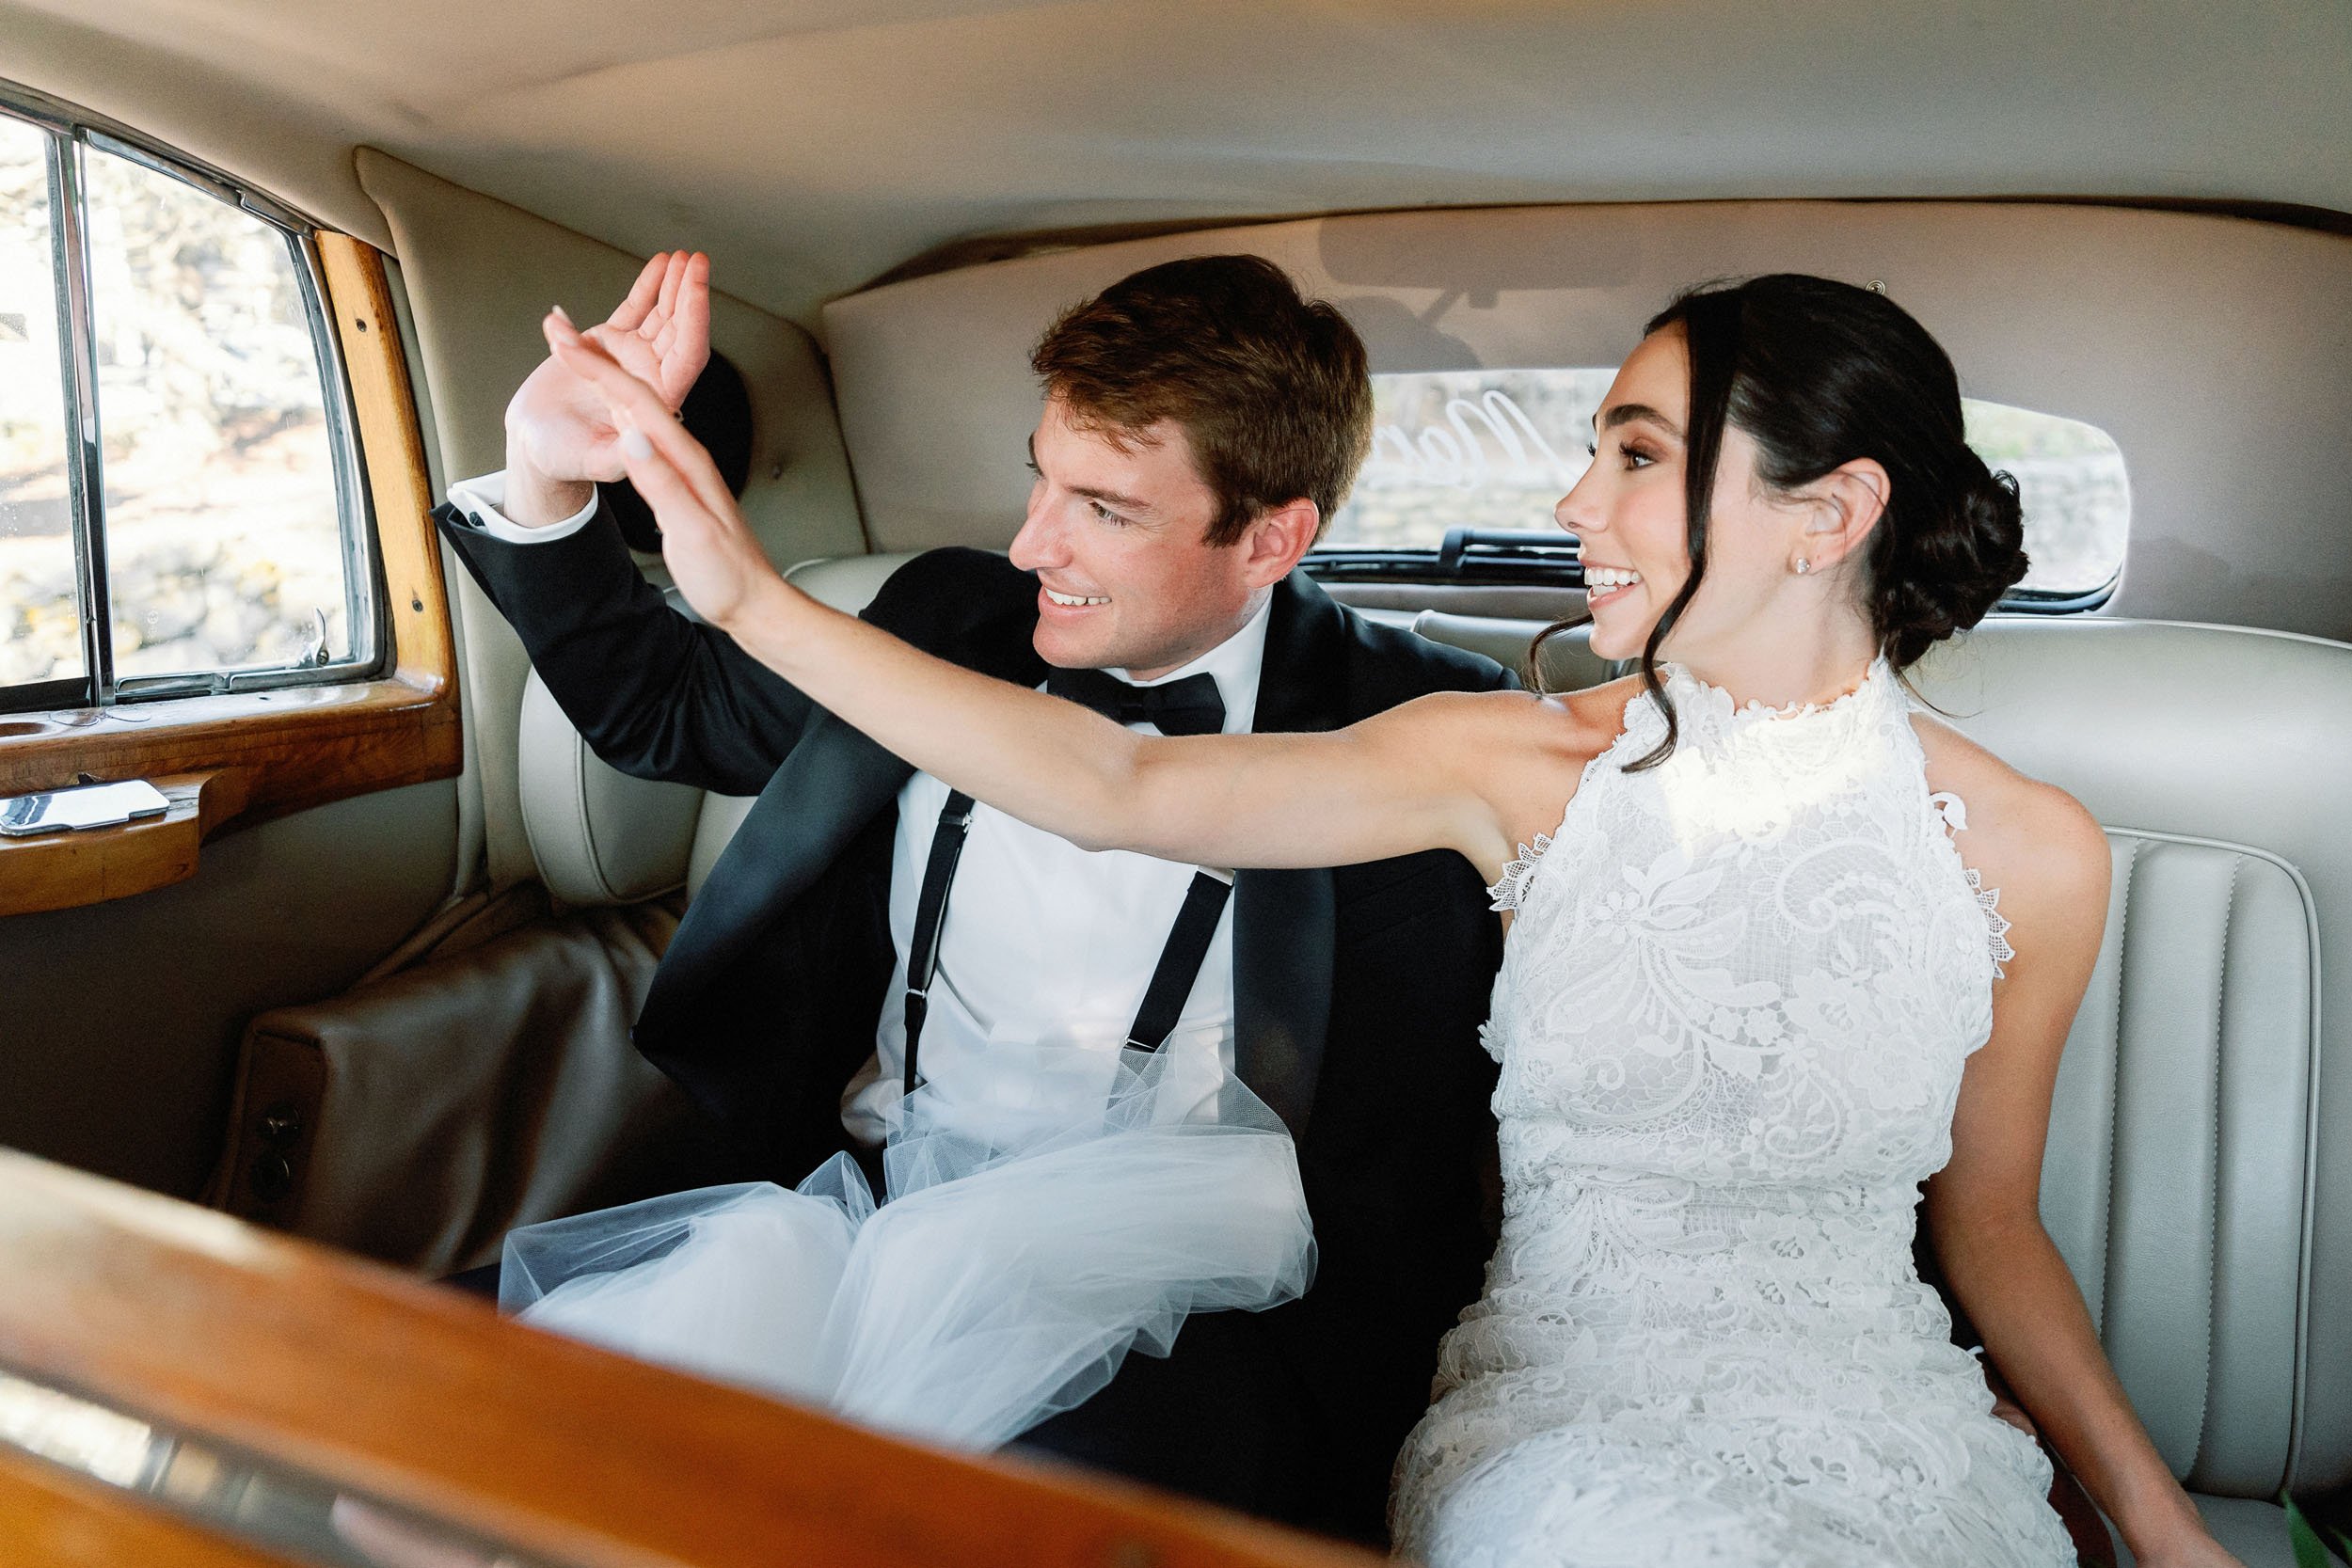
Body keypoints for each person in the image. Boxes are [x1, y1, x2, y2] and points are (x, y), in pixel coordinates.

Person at [538, 270, 2247, 1567]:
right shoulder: (1492, 763)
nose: (1575, 506)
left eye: (1634, 457)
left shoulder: (2035, 852)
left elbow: (1994, 1230)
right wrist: (741, 591)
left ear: (1832, 512)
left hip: (1881, 1418)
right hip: (1571, 1420)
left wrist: (2154, 1519)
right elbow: (1119, 790)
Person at [432, 251, 1514, 1542]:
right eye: (1040, 476)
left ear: (1273, 535)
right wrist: (546, 469)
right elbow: (662, 709)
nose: (1029, 543)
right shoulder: (946, 614)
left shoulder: (1423, 728)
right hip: (849, 1207)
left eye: (1104, 508)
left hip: (1192, 1298)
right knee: (422, 1395)